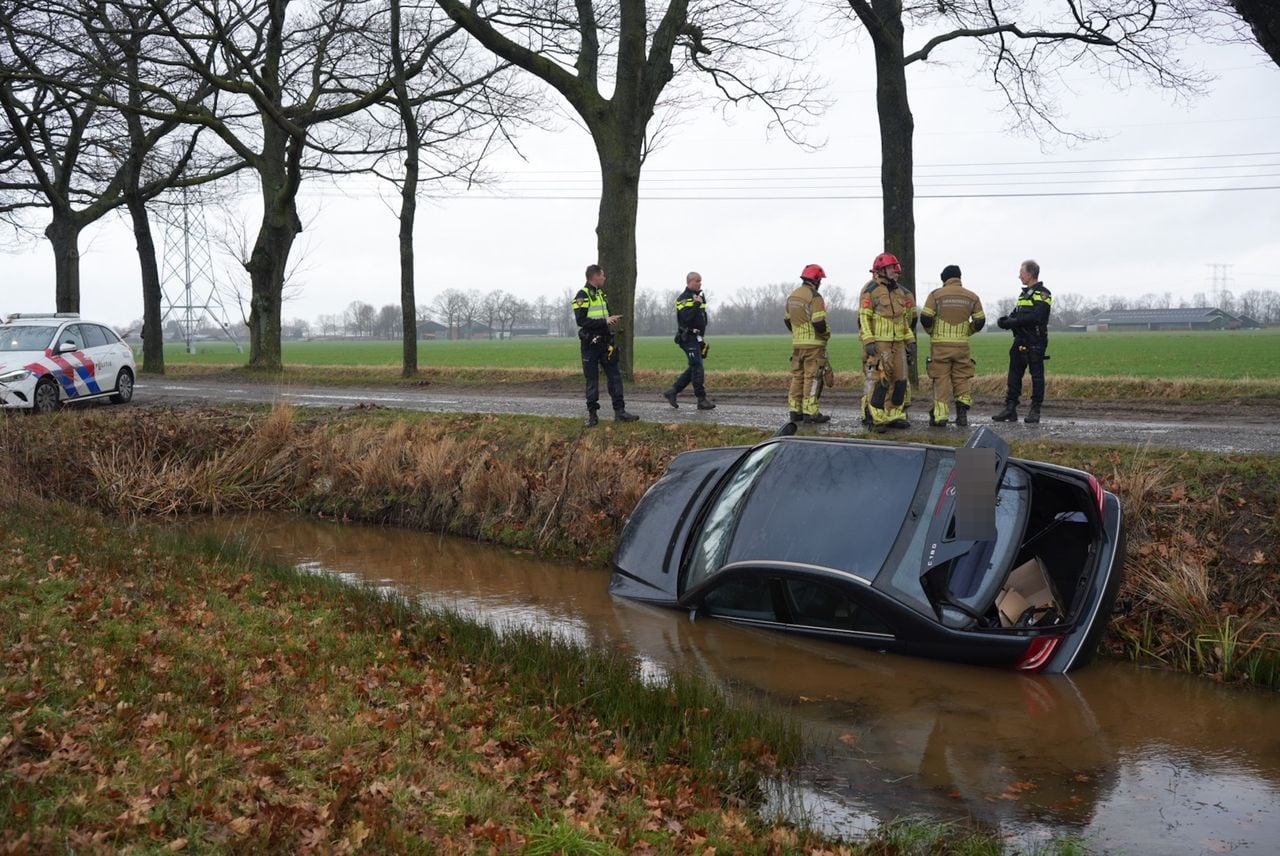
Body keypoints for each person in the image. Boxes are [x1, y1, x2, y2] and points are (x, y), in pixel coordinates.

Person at [572, 264, 638, 426]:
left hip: (606, 342)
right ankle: (593, 416)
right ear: (595, 276)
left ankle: (620, 412)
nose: (604, 278)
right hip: (591, 345)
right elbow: (581, 321)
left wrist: (611, 319)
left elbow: (604, 317)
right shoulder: (582, 295)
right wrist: (604, 321)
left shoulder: (601, 294)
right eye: (602, 275)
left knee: (615, 377)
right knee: (592, 380)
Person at [921, 264, 986, 427]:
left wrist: (932, 332)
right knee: (961, 378)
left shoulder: (936, 295)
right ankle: (962, 415)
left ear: (944, 279)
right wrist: (966, 332)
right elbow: (980, 321)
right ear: (959, 278)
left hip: (940, 347)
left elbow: (926, 318)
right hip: (962, 347)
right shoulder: (972, 297)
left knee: (941, 380)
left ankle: (940, 417)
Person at [859, 252, 917, 431]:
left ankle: (895, 415)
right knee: (880, 382)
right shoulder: (871, 291)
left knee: (900, 380)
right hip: (880, 344)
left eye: (895, 267)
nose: (895, 270)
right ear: (881, 270)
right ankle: (877, 419)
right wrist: (868, 340)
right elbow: (864, 318)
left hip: (898, 344)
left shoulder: (900, 292)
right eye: (891, 267)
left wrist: (910, 340)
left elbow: (904, 321)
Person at [992, 259, 1052, 425]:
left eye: (1021, 272)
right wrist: (1006, 321)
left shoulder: (1044, 294)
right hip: (1020, 339)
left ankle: (1035, 410)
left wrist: (1015, 322)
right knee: (1014, 375)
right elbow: (1018, 313)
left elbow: (1037, 317)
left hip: (1035, 340)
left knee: (1037, 377)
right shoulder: (1023, 294)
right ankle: (1010, 409)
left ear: (1030, 274)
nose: (1019, 276)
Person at [784, 264, 832, 423]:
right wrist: (826, 334)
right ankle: (810, 412)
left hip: (797, 345)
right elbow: (818, 322)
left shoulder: (792, 296)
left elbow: (787, 320)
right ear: (816, 280)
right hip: (814, 345)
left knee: (798, 377)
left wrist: (798, 334)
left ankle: (794, 410)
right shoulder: (815, 297)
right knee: (813, 377)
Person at [663, 271, 716, 410]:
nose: (700, 283)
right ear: (690, 282)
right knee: (697, 367)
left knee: (694, 367)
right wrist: (697, 305)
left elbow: (702, 319)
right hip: (687, 338)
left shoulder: (699, 297)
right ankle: (701, 399)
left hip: (697, 338)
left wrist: (702, 339)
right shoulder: (683, 299)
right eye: (697, 281)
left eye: (701, 281)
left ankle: (672, 391)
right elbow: (686, 318)